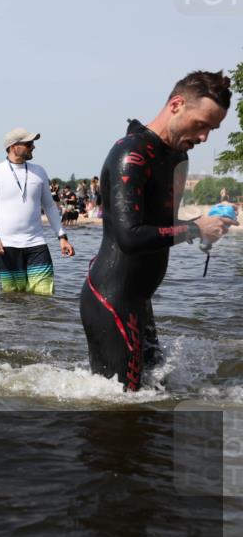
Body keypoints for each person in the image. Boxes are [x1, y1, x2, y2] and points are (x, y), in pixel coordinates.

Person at [79, 70, 237, 392]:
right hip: (112, 298)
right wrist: (195, 228)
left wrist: (204, 231)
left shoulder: (178, 156)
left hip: (140, 300)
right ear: (177, 105)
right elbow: (130, 236)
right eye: (202, 124)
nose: (205, 137)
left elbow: (165, 226)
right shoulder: (130, 153)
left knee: (153, 394)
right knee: (120, 411)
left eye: (213, 129)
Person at [0, 128, 75, 295]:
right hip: (6, 247)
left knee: (45, 297)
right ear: (14, 146)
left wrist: (62, 237)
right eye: (29, 144)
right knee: (12, 299)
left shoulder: (39, 172)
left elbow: (50, 206)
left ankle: (40, 323)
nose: (33, 147)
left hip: (36, 245)